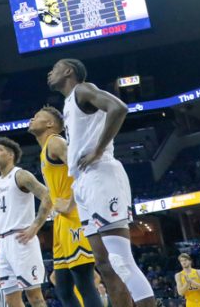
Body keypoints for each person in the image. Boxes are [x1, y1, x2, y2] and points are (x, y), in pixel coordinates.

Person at [48, 59, 155, 307]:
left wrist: (97, 150)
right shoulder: (68, 103)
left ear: (68, 71)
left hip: (101, 174)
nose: (49, 73)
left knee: (120, 260)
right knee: (104, 264)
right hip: (83, 181)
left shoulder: (83, 89)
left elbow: (118, 108)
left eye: (54, 68)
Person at [28, 107, 103, 307]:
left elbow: (81, 169)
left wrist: (70, 202)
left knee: (85, 283)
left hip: (74, 216)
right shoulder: (45, 151)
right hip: (61, 222)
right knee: (62, 287)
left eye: (37, 116)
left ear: (50, 124)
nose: (32, 118)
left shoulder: (55, 142)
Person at [0, 136, 52, 307]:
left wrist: (35, 227)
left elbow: (47, 196)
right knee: (11, 299)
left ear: (10, 155)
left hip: (21, 240)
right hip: (3, 242)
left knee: (34, 296)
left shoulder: (20, 175)